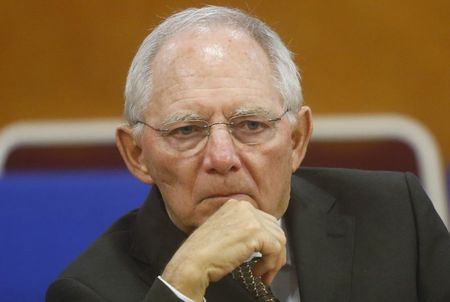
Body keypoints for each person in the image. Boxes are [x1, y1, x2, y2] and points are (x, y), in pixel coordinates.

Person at [46, 5, 450, 302]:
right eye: (187, 130)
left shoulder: (396, 215)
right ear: (137, 154)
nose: (222, 158)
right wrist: (181, 286)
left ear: (296, 140)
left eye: (251, 126)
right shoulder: (89, 290)